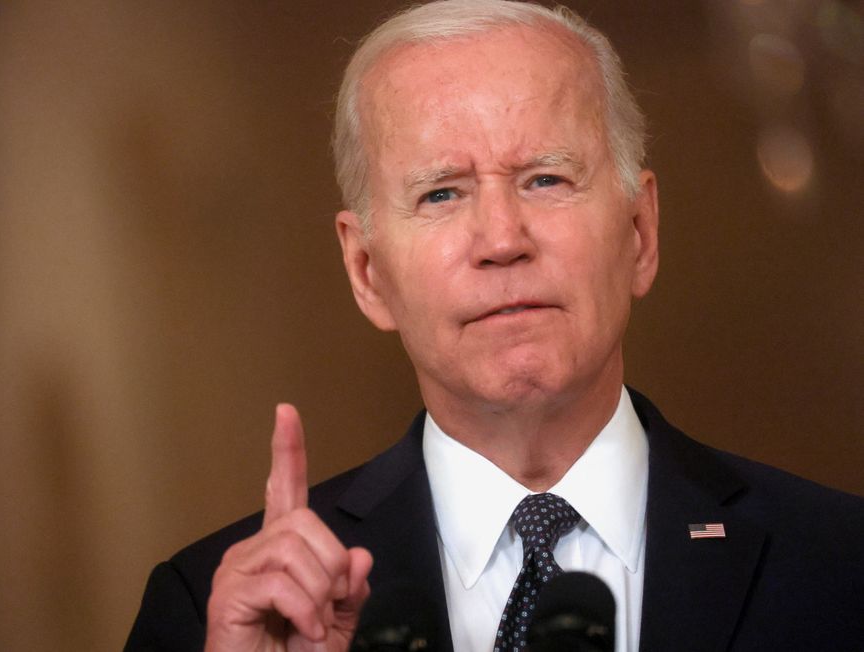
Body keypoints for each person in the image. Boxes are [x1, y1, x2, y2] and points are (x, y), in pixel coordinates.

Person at [125, 2, 864, 651]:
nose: (502, 238)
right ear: (366, 272)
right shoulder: (217, 617)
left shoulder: (841, 567)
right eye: (441, 193)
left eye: (546, 178)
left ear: (639, 232)